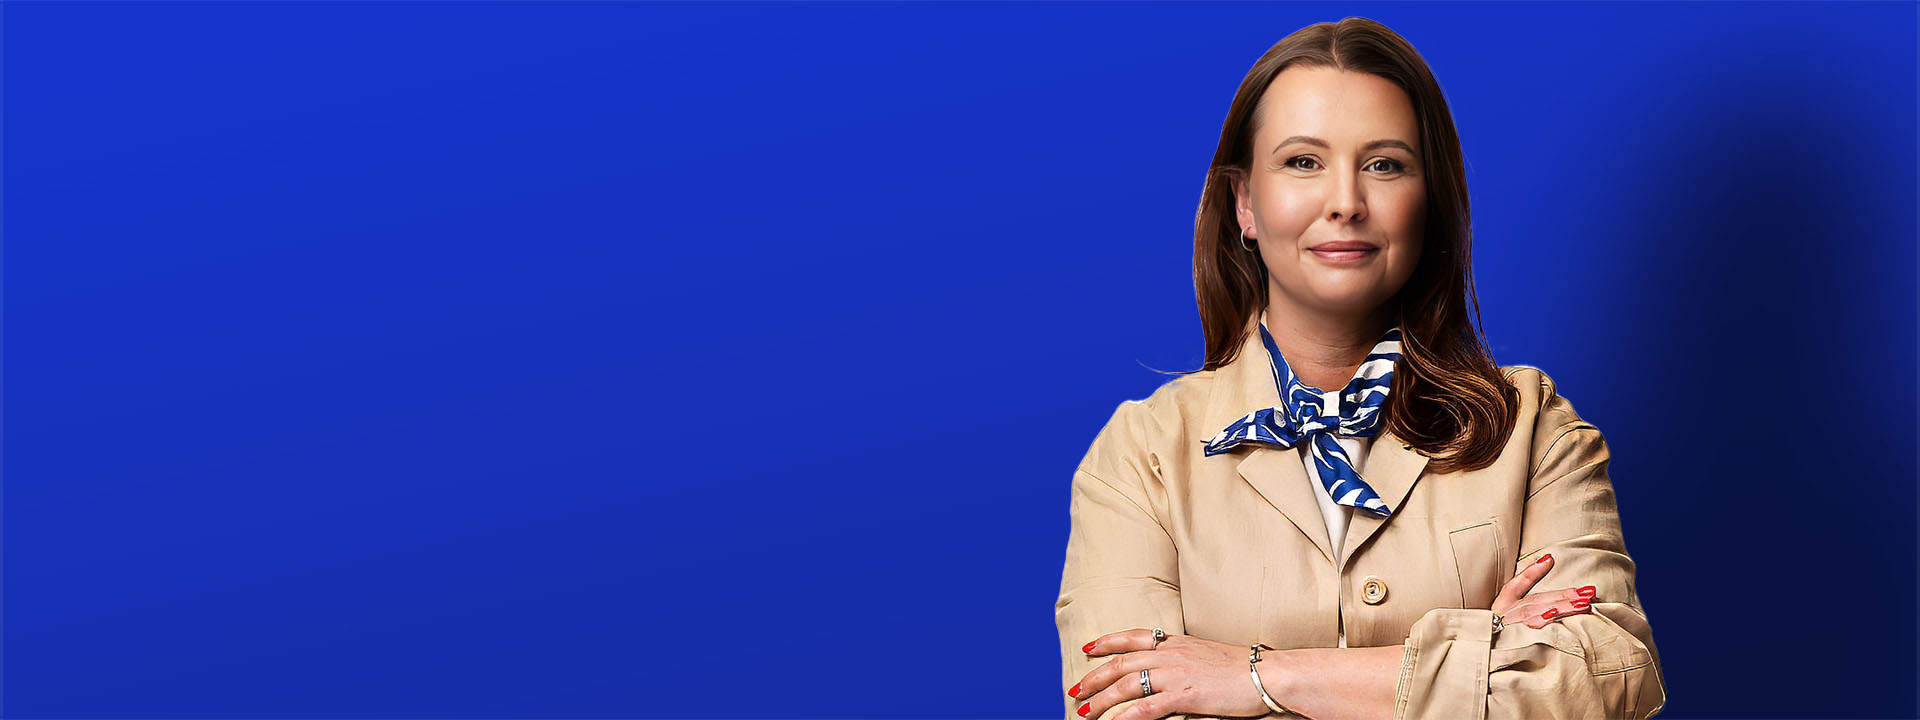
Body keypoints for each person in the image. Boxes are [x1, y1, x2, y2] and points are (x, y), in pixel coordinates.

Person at [1054, 17, 1666, 720]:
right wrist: (1485, 653)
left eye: (1385, 164)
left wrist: (1255, 677)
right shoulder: (1141, 457)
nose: (1345, 201)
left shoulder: (1531, 429)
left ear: (1429, 201)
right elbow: (1121, 707)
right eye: (1303, 162)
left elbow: (1609, 679)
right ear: (1245, 203)